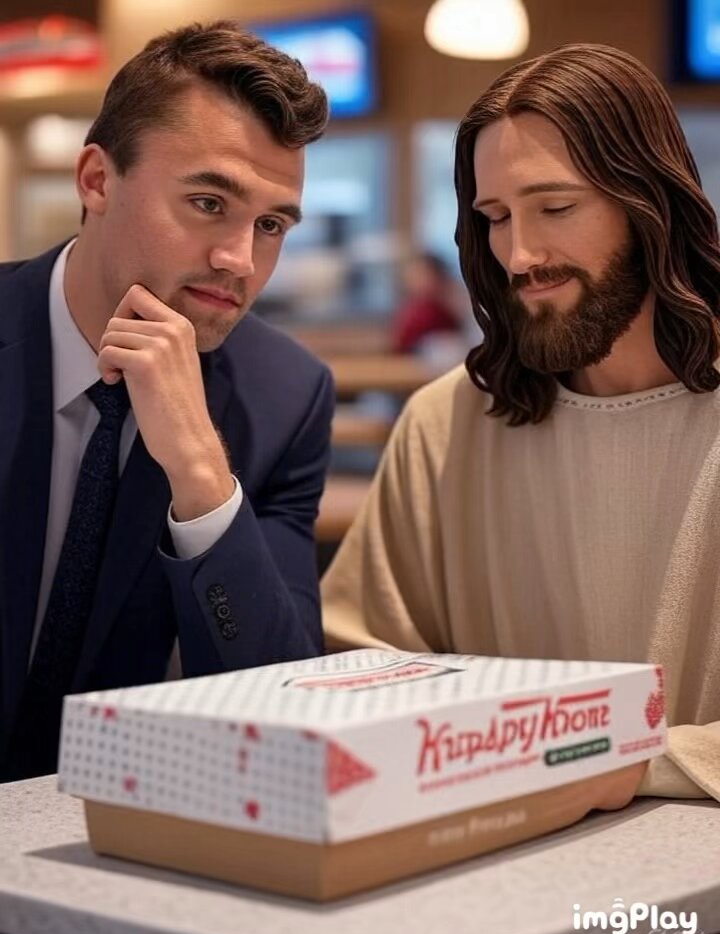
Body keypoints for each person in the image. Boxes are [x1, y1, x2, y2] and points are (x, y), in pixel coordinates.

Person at [322, 44, 720, 803]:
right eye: (496, 219)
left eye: (556, 208)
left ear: (651, 205)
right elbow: (358, 664)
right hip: (490, 872)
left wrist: (601, 760)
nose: (521, 255)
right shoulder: (445, 428)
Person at [0, 20, 334, 785]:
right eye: (209, 202)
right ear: (96, 180)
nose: (240, 260)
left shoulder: (282, 400)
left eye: (272, 225)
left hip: (107, 836)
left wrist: (199, 474)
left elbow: (285, 707)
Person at [391, 251, 463, 353]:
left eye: (423, 275)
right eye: (413, 277)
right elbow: (400, 343)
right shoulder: (411, 311)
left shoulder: (447, 309)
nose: (417, 282)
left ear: (439, 277)